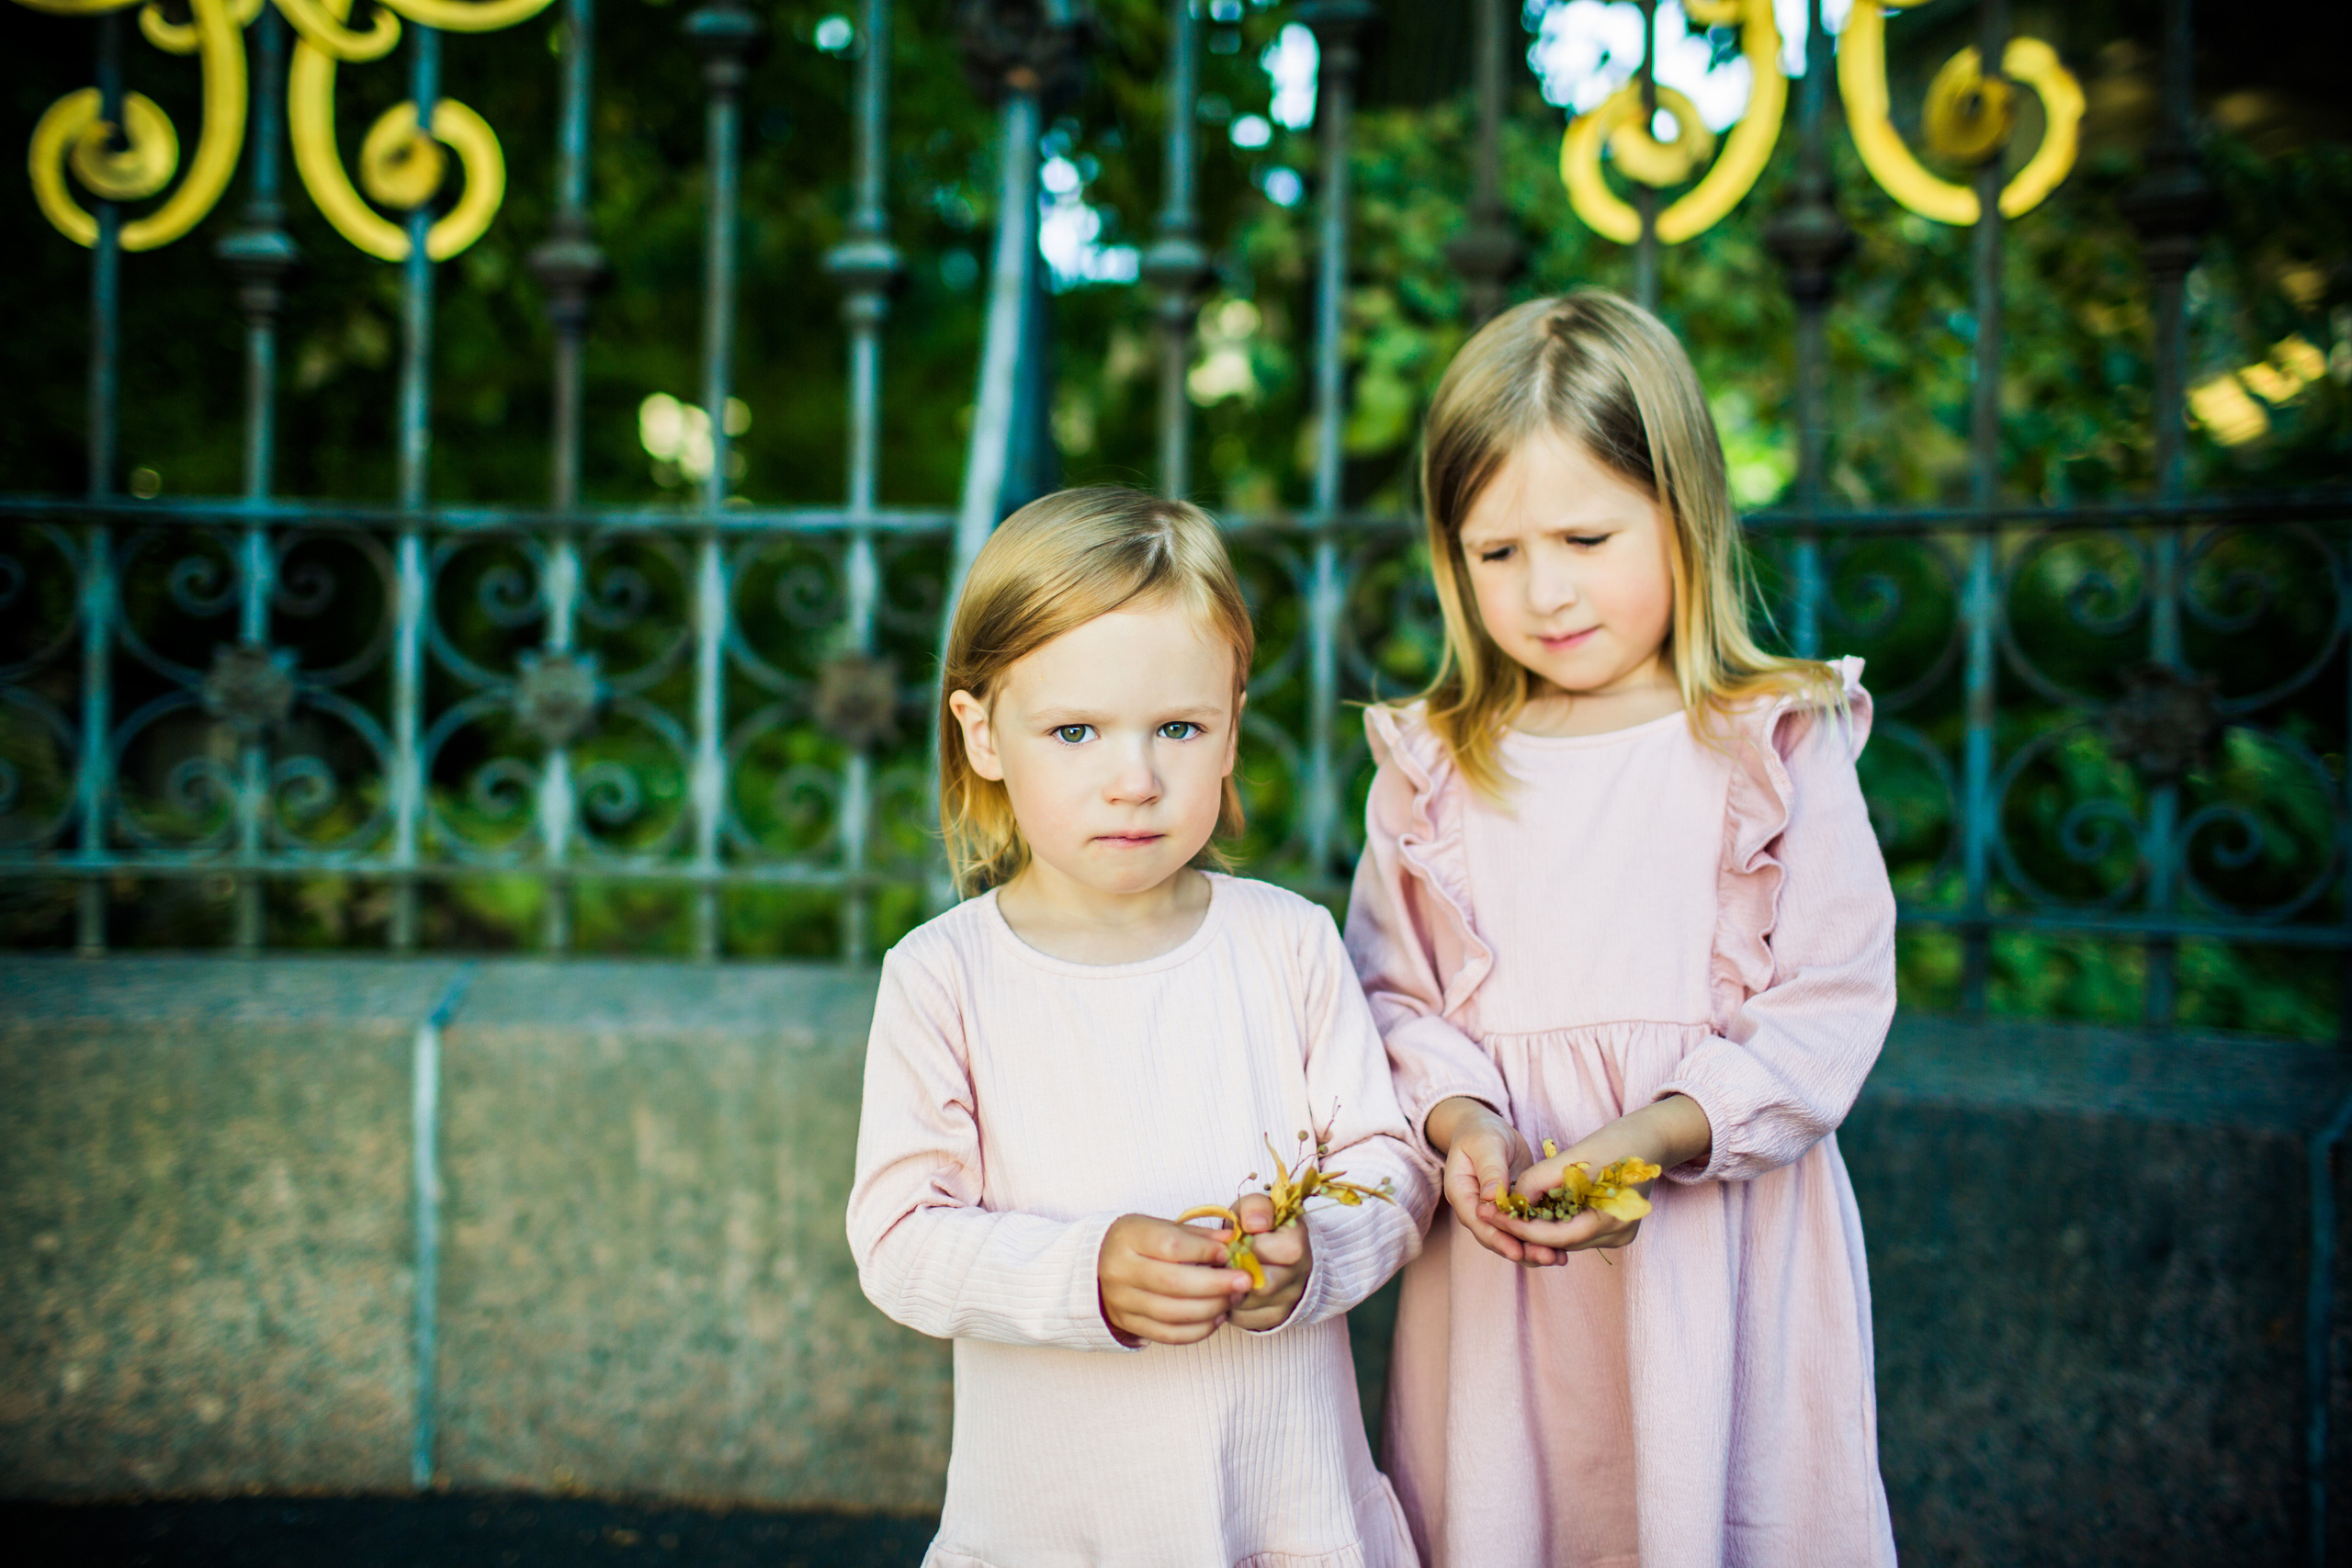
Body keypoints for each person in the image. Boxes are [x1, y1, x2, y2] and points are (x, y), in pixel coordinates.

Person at [1346, 291, 1899, 1568]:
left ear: (1682, 514)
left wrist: (1653, 1135)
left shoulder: (1776, 739)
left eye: (1587, 535)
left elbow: (1831, 998)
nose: (1544, 589)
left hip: (1719, 1258)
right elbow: (1389, 992)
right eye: (1495, 552)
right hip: (1503, 1284)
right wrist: (1464, 1122)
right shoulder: (1435, 766)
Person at [846, 487, 1435, 1568]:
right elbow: (898, 1240)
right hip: (1056, 1522)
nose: (1135, 779)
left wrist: (1315, 1257)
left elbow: (1390, 1168)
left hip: (1284, 1505)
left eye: (1177, 728)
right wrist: (1087, 1275)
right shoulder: (944, 976)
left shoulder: (1289, 943)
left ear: (1230, 729)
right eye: (1074, 731)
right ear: (980, 733)